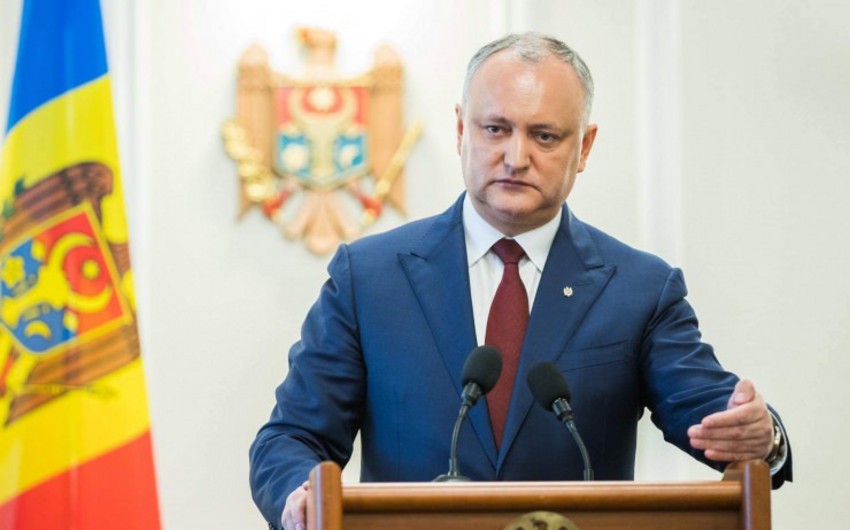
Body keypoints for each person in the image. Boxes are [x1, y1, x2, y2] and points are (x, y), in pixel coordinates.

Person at [249, 32, 792, 530]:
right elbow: (293, 436)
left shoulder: (640, 289)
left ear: (584, 147)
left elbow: (713, 414)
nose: (516, 157)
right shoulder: (370, 277)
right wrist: (299, 497)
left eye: (544, 136)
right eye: (496, 129)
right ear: (461, 129)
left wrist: (760, 435)